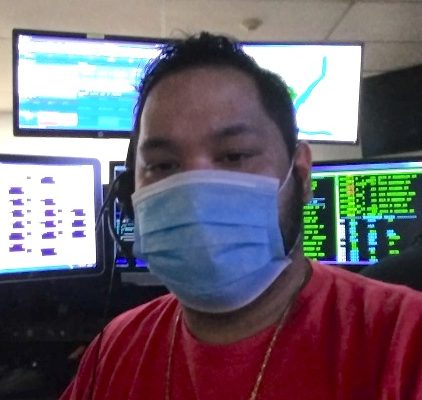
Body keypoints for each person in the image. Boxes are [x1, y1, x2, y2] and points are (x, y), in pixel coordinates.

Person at [61, 33, 422, 400]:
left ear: (301, 172)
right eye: (163, 164)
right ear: (131, 195)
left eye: (234, 155)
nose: (196, 194)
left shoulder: (404, 339)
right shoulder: (114, 349)